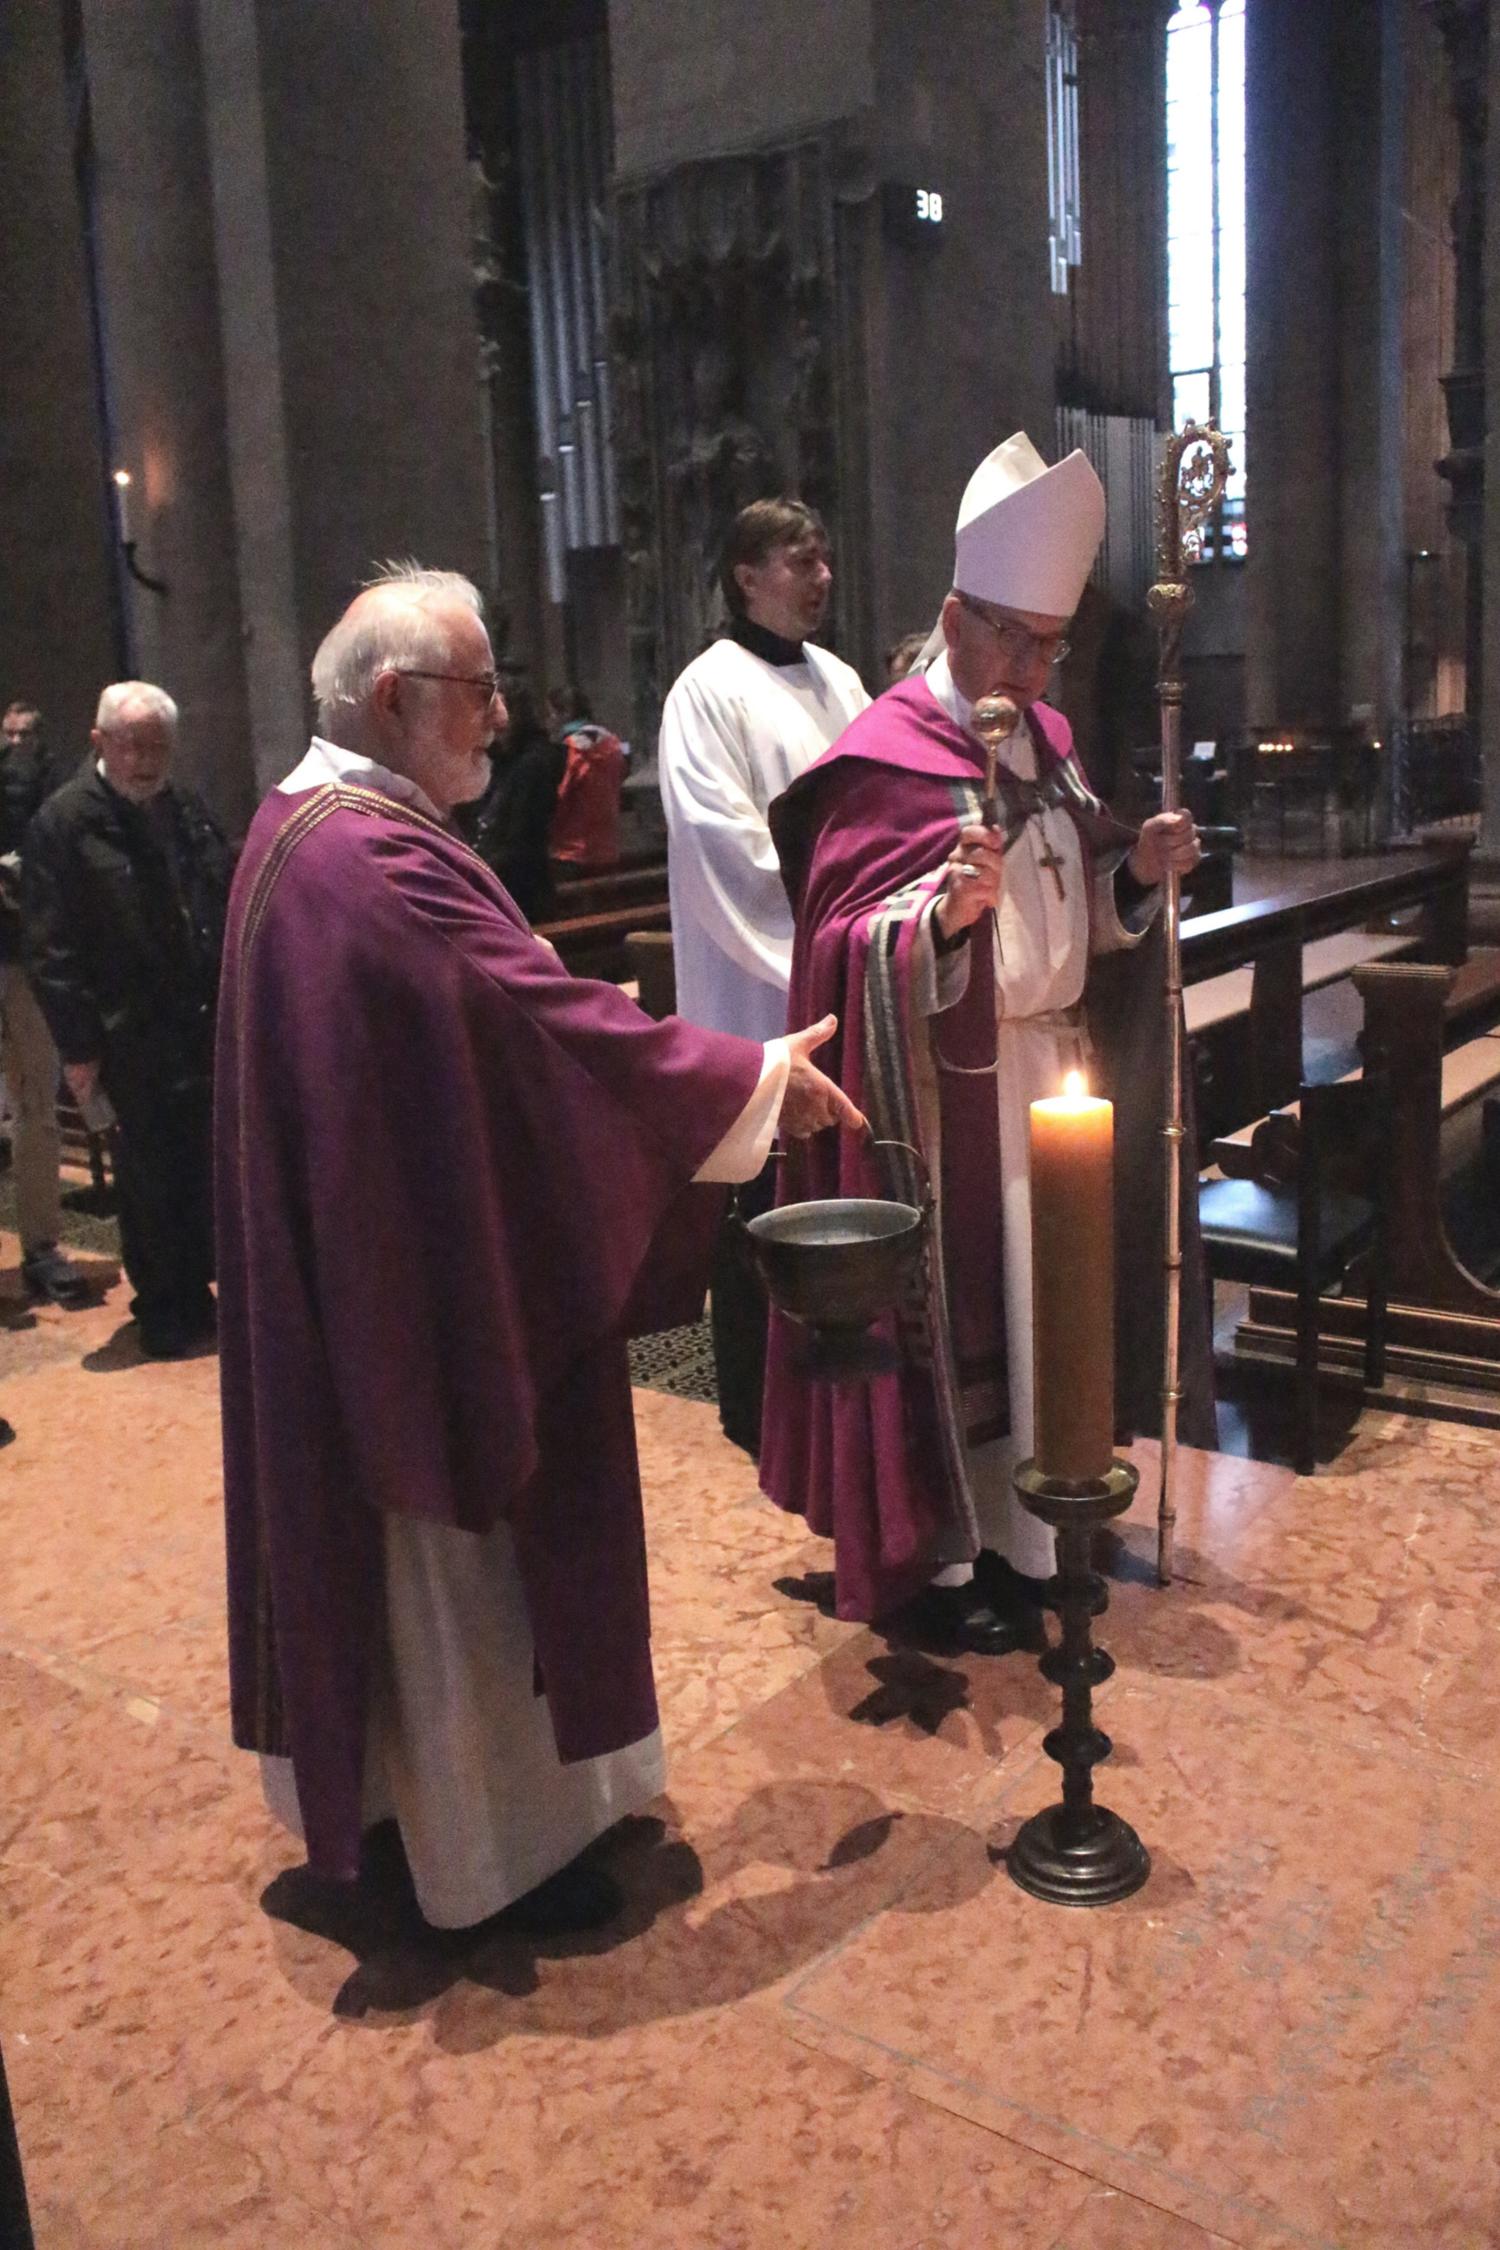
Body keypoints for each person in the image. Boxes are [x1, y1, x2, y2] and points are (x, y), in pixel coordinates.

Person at [216, 563, 862, 1938]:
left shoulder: (301, 826)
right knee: (464, 1562)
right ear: (393, 699)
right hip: (428, 1289)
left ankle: (410, 1813)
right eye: (477, 689)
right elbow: (527, 1018)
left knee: (400, 1569)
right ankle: (495, 1850)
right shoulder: (365, 856)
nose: (502, 718)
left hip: (386, 1250)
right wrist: (746, 1078)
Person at [761, 433, 1217, 1654]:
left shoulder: (1054, 753)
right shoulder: (883, 760)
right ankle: (952, 1560)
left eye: (1051, 641)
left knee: (1045, 1316)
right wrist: (938, 926)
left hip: (1055, 1072)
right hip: (940, 1096)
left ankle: (1041, 1536)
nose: (1032, 664)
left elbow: (1087, 927)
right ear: (955, 619)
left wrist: (1139, 876)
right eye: (1011, 635)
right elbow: (838, 942)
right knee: (960, 1328)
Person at [658, 497, 870, 1454]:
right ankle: (759, 1415)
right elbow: (723, 849)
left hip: (848, 967)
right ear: (746, 576)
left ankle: (842, 1407)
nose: (822, 576)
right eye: (801, 559)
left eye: (825, 558)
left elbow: (883, 810)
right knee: (761, 1204)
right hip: (761, 990)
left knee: (843, 1198)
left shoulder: (843, 681)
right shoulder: (704, 693)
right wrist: (830, 939)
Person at [25, 683, 232, 1357]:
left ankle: (203, 1286)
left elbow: (217, 889)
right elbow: (51, 949)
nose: (146, 759)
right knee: (149, 1176)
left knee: (204, 1163)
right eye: (132, 744)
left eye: (158, 745)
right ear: (99, 742)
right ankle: (165, 1303)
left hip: (196, 1020)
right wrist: (79, 1049)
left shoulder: (185, 807)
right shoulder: (63, 824)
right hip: (125, 1033)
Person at [0, 701, 89, 1308]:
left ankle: (42, 1247)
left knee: (37, 1109)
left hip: (25, 962)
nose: (18, 743)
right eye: (9, 734)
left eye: (27, 732)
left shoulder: (52, 797)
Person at [465, 677, 566, 921]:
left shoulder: (536, 761)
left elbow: (522, 836)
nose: (492, 723)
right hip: (493, 883)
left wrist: (477, 872)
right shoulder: (498, 759)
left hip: (523, 889)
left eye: (497, 710)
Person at [546, 685, 626, 871]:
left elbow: (560, 796)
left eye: (551, 714)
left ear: (565, 713)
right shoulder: (612, 744)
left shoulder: (570, 749)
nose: (549, 721)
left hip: (572, 850)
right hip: (608, 847)